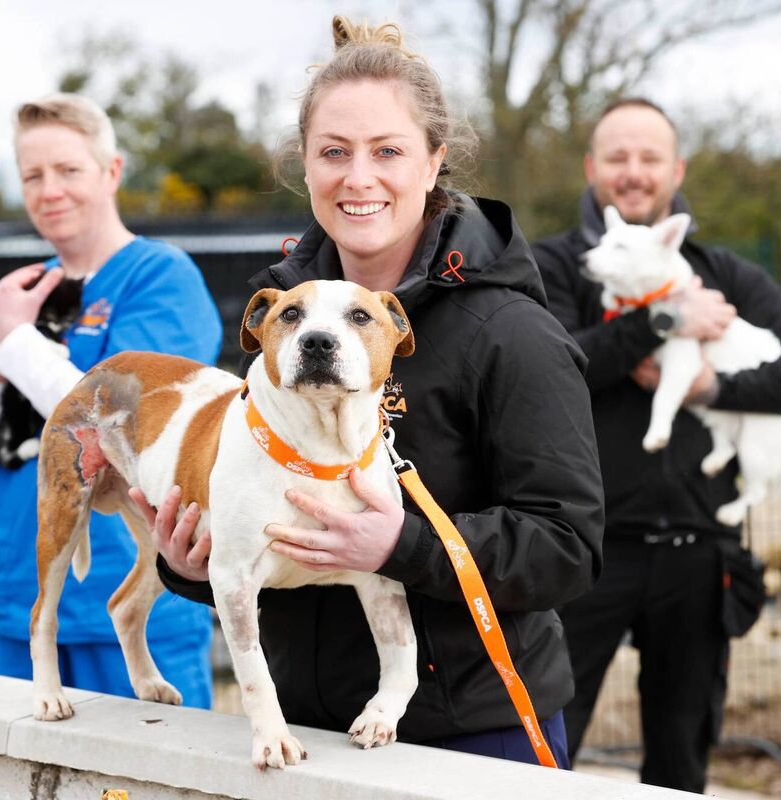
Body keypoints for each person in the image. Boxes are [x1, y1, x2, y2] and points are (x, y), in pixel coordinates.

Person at [132, 17, 604, 766]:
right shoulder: (282, 322)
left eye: (387, 151)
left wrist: (403, 546)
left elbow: (568, 549)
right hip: (302, 735)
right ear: (304, 164)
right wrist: (189, 565)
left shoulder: (510, 333)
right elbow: (262, 536)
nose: (358, 178)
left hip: (473, 729)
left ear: (434, 162)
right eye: (334, 152)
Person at [531, 97, 781, 791]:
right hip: (582, 551)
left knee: (680, 765)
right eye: (617, 157)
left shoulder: (720, 274)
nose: (633, 172)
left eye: (650, 158)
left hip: (697, 555)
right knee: (543, 752)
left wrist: (711, 387)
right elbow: (553, 366)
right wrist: (662, 322)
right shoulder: (552, 266)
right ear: (591, 168)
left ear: (676, 171)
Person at [0, 93, 223, 708]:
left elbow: (119, 425)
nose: (50, 190)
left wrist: (14, 339)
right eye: (32, 175)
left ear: (111, 171)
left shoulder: (160, 278)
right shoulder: (11, 295)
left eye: (68, 170)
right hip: (14, 609)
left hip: (141, 620)